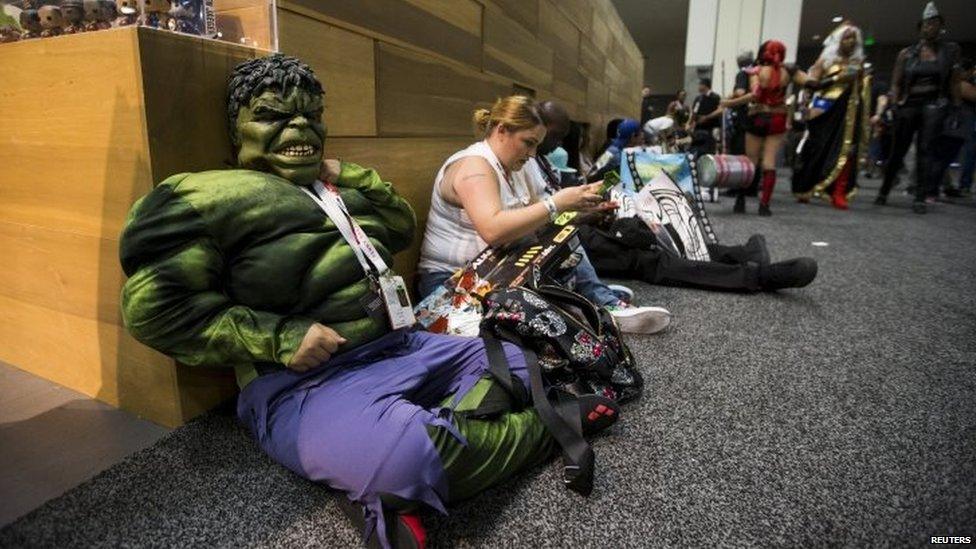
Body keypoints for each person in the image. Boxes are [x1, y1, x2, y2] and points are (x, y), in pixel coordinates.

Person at [119, 55, 620, 549]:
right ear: (238, 127)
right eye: (273, 115)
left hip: (400, 346)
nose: (299, 129)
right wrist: (279, 337)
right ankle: (545, 423)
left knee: (522, 358)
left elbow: (399, 227)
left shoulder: (338, 189)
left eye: (311, 116)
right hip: (304, 383)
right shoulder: (202, 198)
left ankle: (412, 465)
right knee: (403, 458)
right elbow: (153, 309)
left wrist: (351, 175)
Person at [416, 97, 670, 334]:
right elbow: (492, 229)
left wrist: (578, 209)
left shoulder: (515, 166)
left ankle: (596, 298)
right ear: (502, 130)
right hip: (453, 283)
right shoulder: (475, 165)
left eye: (536, 145)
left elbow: (539, 222)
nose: (532, 154)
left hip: (495, 272)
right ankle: (588, 299)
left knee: (562, 235)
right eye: (528, 142)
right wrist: (556, 204)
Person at [531, 100, 819, 294]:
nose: (642, 142)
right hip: (566, 236)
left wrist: (596, 203)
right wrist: (612, 186)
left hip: (579, 219)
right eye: (638, 139)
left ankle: (739, 254)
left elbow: (577, 190)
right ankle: (754, 275)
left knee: (664, 232)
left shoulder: (546, 159)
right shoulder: (610, 155)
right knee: (648, 256)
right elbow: (582, 189)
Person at [874, 1, 963, 214]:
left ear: (940, 27)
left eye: (934, 24)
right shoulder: (907, 54)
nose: (930, 28)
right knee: (898, 149)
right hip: (909, 103)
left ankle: (920, 195)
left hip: (935, 102)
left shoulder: (950, 51)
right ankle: (884, 190)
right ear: (920, 27)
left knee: (926, 150)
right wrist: (893, 103)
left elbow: (955, 81)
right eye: (927, 24)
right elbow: (896, 82)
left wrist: (957, 107)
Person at [721, 40, 817, 216]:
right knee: (769, 162)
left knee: (750, 161)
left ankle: (740, 201)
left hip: (757, 118)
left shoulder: (756, 71)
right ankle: (764, 205)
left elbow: (754, 95)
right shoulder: (789, 71)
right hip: (778, 119)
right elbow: (812, 82)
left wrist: (729, 103)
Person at [791, 23, 870, 210]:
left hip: (848, 114)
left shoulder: (858, 64)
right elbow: (811, 84)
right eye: (846, 37)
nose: (850, 42)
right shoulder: (825, 60)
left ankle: (838, 192)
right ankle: (806, 187)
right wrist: (805, 106)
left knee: (846, 152)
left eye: (853, 38)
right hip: (823, 112)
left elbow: (862, 91)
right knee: (815, 148)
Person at [589, 117, 644, 182]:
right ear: (633, 136)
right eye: (640, 133)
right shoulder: (621, 159)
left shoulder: (612, 149)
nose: (642, 136)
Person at [690, 78, 722, 155]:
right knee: (697, 150)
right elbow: (694, 112)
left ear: (705, 86)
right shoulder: (698, 98)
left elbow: (720, 110)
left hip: (711, 129)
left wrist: (707, 117)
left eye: (700, 85)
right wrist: (690, 123)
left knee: (709, 150)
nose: (698, 87)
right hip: (698, 129)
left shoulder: (715, 97)